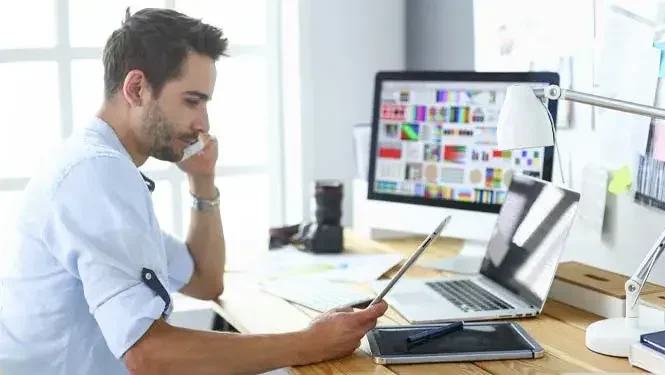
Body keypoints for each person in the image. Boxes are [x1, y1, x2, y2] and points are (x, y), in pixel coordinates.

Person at [0, 8, 387, 375]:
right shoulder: (95, 173)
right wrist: (310, 343)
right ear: (137, 87)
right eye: (191, 101)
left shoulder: (100, 164)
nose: (203, 123)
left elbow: (204, 281)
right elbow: (147, 354)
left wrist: (202, 181)